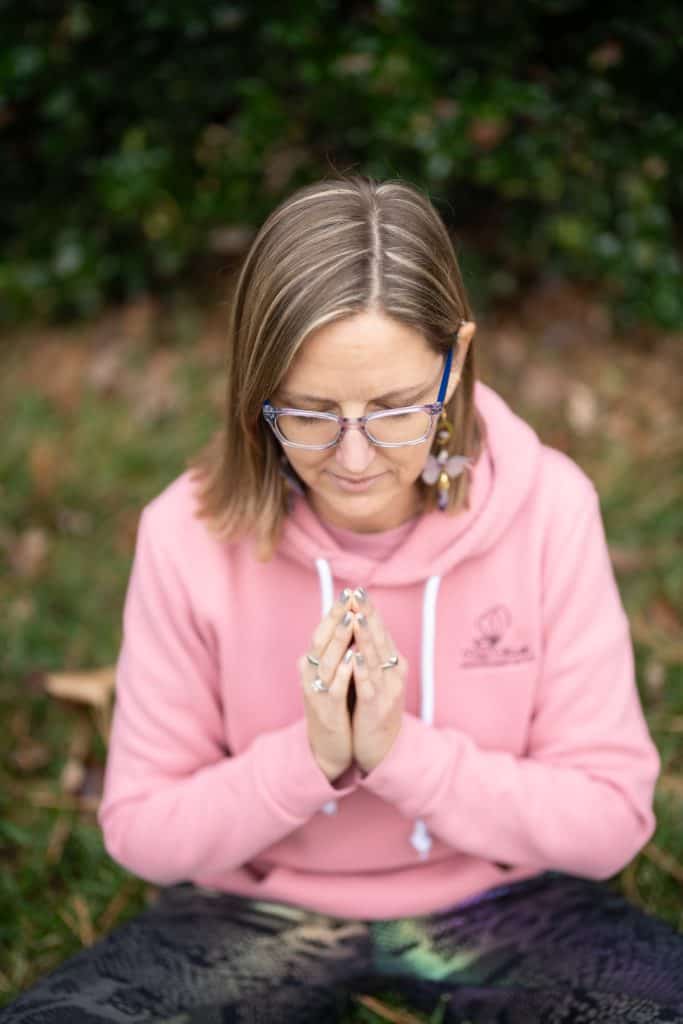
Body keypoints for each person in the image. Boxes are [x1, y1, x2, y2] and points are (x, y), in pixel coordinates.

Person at [3, 175, 682, 1024]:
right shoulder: (182, 534)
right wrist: (312, 758)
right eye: (311, 412)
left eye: (395, 409)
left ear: (456, 358)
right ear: (257, 384)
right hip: (251, 910)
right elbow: (143, 832)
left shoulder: (550, 507)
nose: (354, 459)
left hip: (510, 902)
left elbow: (609, 824)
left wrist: (400, 755)